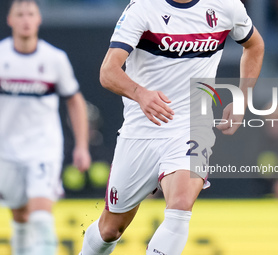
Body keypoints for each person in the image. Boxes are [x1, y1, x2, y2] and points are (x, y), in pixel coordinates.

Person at [79, 0, 264, 254]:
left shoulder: (226, 5)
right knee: (111, 230)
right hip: (141, 131)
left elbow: (254, 45)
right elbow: (108, 71)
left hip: (191, 126)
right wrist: (141, 94)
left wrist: (243, 98)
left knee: (180, 206)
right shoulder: (143, 8)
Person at [0, 0, 91, 254]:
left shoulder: (54, 59)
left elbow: (75, 100)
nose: (26, 19)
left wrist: (82, 146)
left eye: (31, 13)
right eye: (20, 14)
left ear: (39, 19)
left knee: (40, 217)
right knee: (19, 218)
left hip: (43, 148)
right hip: (6, 150)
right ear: (10, 20)